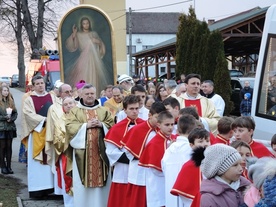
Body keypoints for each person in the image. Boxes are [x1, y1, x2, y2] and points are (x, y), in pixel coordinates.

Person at [65, 84, 114, 207]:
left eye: (92, 93)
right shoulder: (75, 111)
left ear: (95, 94)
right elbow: (69, 127)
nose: (90, 96)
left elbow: (112, 126)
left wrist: (102, 125)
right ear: (81, 94)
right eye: (87, 94)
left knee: (102, 185)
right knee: (82, 187)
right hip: (83, 155)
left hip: (101, 153)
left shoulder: (103, 110)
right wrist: (85, 126)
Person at [121, 102, 167, 207]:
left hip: (157, 172)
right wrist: (144, 157)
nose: (159, 121)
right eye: (157, 117)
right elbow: (128, 152)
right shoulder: (137, 129)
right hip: (140, 171)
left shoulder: (163, 131)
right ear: (149, 115)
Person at [104, 95, 143, 207]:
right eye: (131, 109)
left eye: (136, 108)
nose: (135, 111)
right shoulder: (116, 128)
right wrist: (132, 158)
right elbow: (111, 152)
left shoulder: (145, 126)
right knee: (121, 200)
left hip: (140, 169)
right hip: (123, 168)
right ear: (125, 110)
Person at [21, 75, 56, 198]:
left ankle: (52, 188)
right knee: (37, 163)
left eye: (42, 83)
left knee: (51, 160)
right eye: (38, 84)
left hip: (51, 133)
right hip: (37, 133)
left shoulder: (52, 97)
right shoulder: (29, 99)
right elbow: (28, 115)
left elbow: (57, 110)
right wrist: (45, 119)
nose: (41, 85)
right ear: (33, 86)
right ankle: (37, 189)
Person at [45, 84, 74, 206]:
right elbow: (52, 128)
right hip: (63, 148)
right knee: (65, 174)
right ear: (60, 93)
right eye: (66, 92)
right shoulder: (54, 108)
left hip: (79, 153)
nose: (69, 93)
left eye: (70, 91)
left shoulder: (79, 112)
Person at [65, 17, 111, 94]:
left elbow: (101, 44)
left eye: (87, 23)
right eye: (84, 23)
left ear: (89, 24)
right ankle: (82, 95)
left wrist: (96, 41)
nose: (86, 25)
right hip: (83, 58)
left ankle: (94, 95)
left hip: (94, 59)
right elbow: (74, 46)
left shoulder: (93, 34)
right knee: (82, 76)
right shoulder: (79, 34)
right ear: (81, 25)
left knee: (94, 76)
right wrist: (74, 33)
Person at [139, 111, 175, 207]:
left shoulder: (174, 139)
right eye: (167, 124)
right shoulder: (154, 143)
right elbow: (155, 169)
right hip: (158, 183)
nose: (171, 127)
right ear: (159, 125)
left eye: (172, 124)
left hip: (170, 181)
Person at [161, 114, 197, 207]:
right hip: (186, 195)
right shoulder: (192, 150)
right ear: (194, 130)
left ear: (178, 129)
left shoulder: (169, 150)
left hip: (170, 194)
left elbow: (163, 169)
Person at [170, 128, 210, 207]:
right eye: (200, 141)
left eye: (207, 141)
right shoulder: (188, 166)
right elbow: (184, 192)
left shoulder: (215, 162)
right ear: (191, 145)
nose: (205, 144)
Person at [0, 86, 17, 174]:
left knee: (9, 147)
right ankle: (3, 166)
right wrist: (4, 117)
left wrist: (12, 118)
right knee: (2, 147)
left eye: (7, 90)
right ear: (1, 91)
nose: (6, 92)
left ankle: (9, 166)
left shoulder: (11, 101)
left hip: (10, 127)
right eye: (4, 90)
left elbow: (15, 113)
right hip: (1, 128)